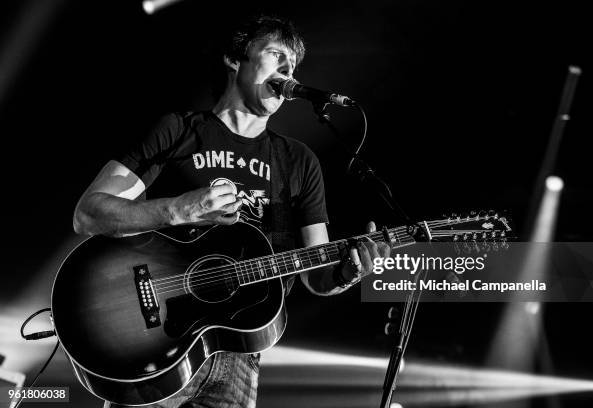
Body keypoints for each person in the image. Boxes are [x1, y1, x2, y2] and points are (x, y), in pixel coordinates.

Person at [73, 15, 390, 408]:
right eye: (276, 55)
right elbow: (89, 213)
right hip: (157, 345)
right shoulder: (178, 130)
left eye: (294, 62)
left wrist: (348, 272)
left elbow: (317, 275)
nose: (288, 70)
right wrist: (177, 209)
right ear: (234, 59)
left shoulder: (298, 160)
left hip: (242, 354)